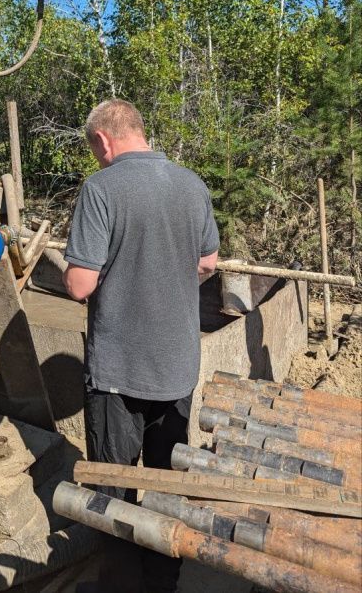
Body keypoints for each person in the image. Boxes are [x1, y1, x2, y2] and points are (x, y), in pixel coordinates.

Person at [63, 99, 219, 593]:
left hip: (118, 373)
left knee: (112, 488)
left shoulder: (101, 188)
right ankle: (163, 580)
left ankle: (122, 583)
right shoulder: (192, 184)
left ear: (104, 140)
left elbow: (79, 285)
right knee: (168, 481)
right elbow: (209, 262)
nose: (97, 159)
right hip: (176, 367)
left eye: (95, 151)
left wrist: (109, 271)